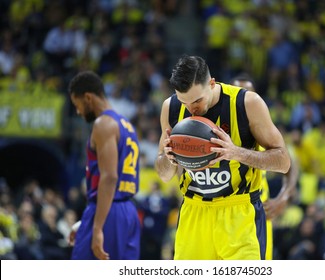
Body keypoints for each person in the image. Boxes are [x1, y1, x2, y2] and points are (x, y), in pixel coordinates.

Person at [155, 55, 291, 260]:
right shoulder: (171, 107)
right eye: (185, 101)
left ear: (211, 83)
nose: (192, 109)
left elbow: (283, 162)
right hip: (194, 211)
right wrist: (168, 159)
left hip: (239, 214)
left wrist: (235, 152)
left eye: (197, 100)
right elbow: (164, 175)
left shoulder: (247, 103)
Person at [68, 71, 141, 260]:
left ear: (88, 98)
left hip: (110, 213)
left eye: (77, 105)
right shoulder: (127, 124)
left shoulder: (103, 124)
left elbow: (109, 178)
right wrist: (87, 222)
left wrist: (98, 227)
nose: (78, 111)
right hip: (127, 212)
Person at [231, 73, 299, 260]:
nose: (242, 98)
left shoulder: (262, 127)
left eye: (247, 93)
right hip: (225, 213)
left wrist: (284, 197)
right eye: (237, 92)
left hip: (257, 212)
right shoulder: (219, 126)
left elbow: (291, 163)